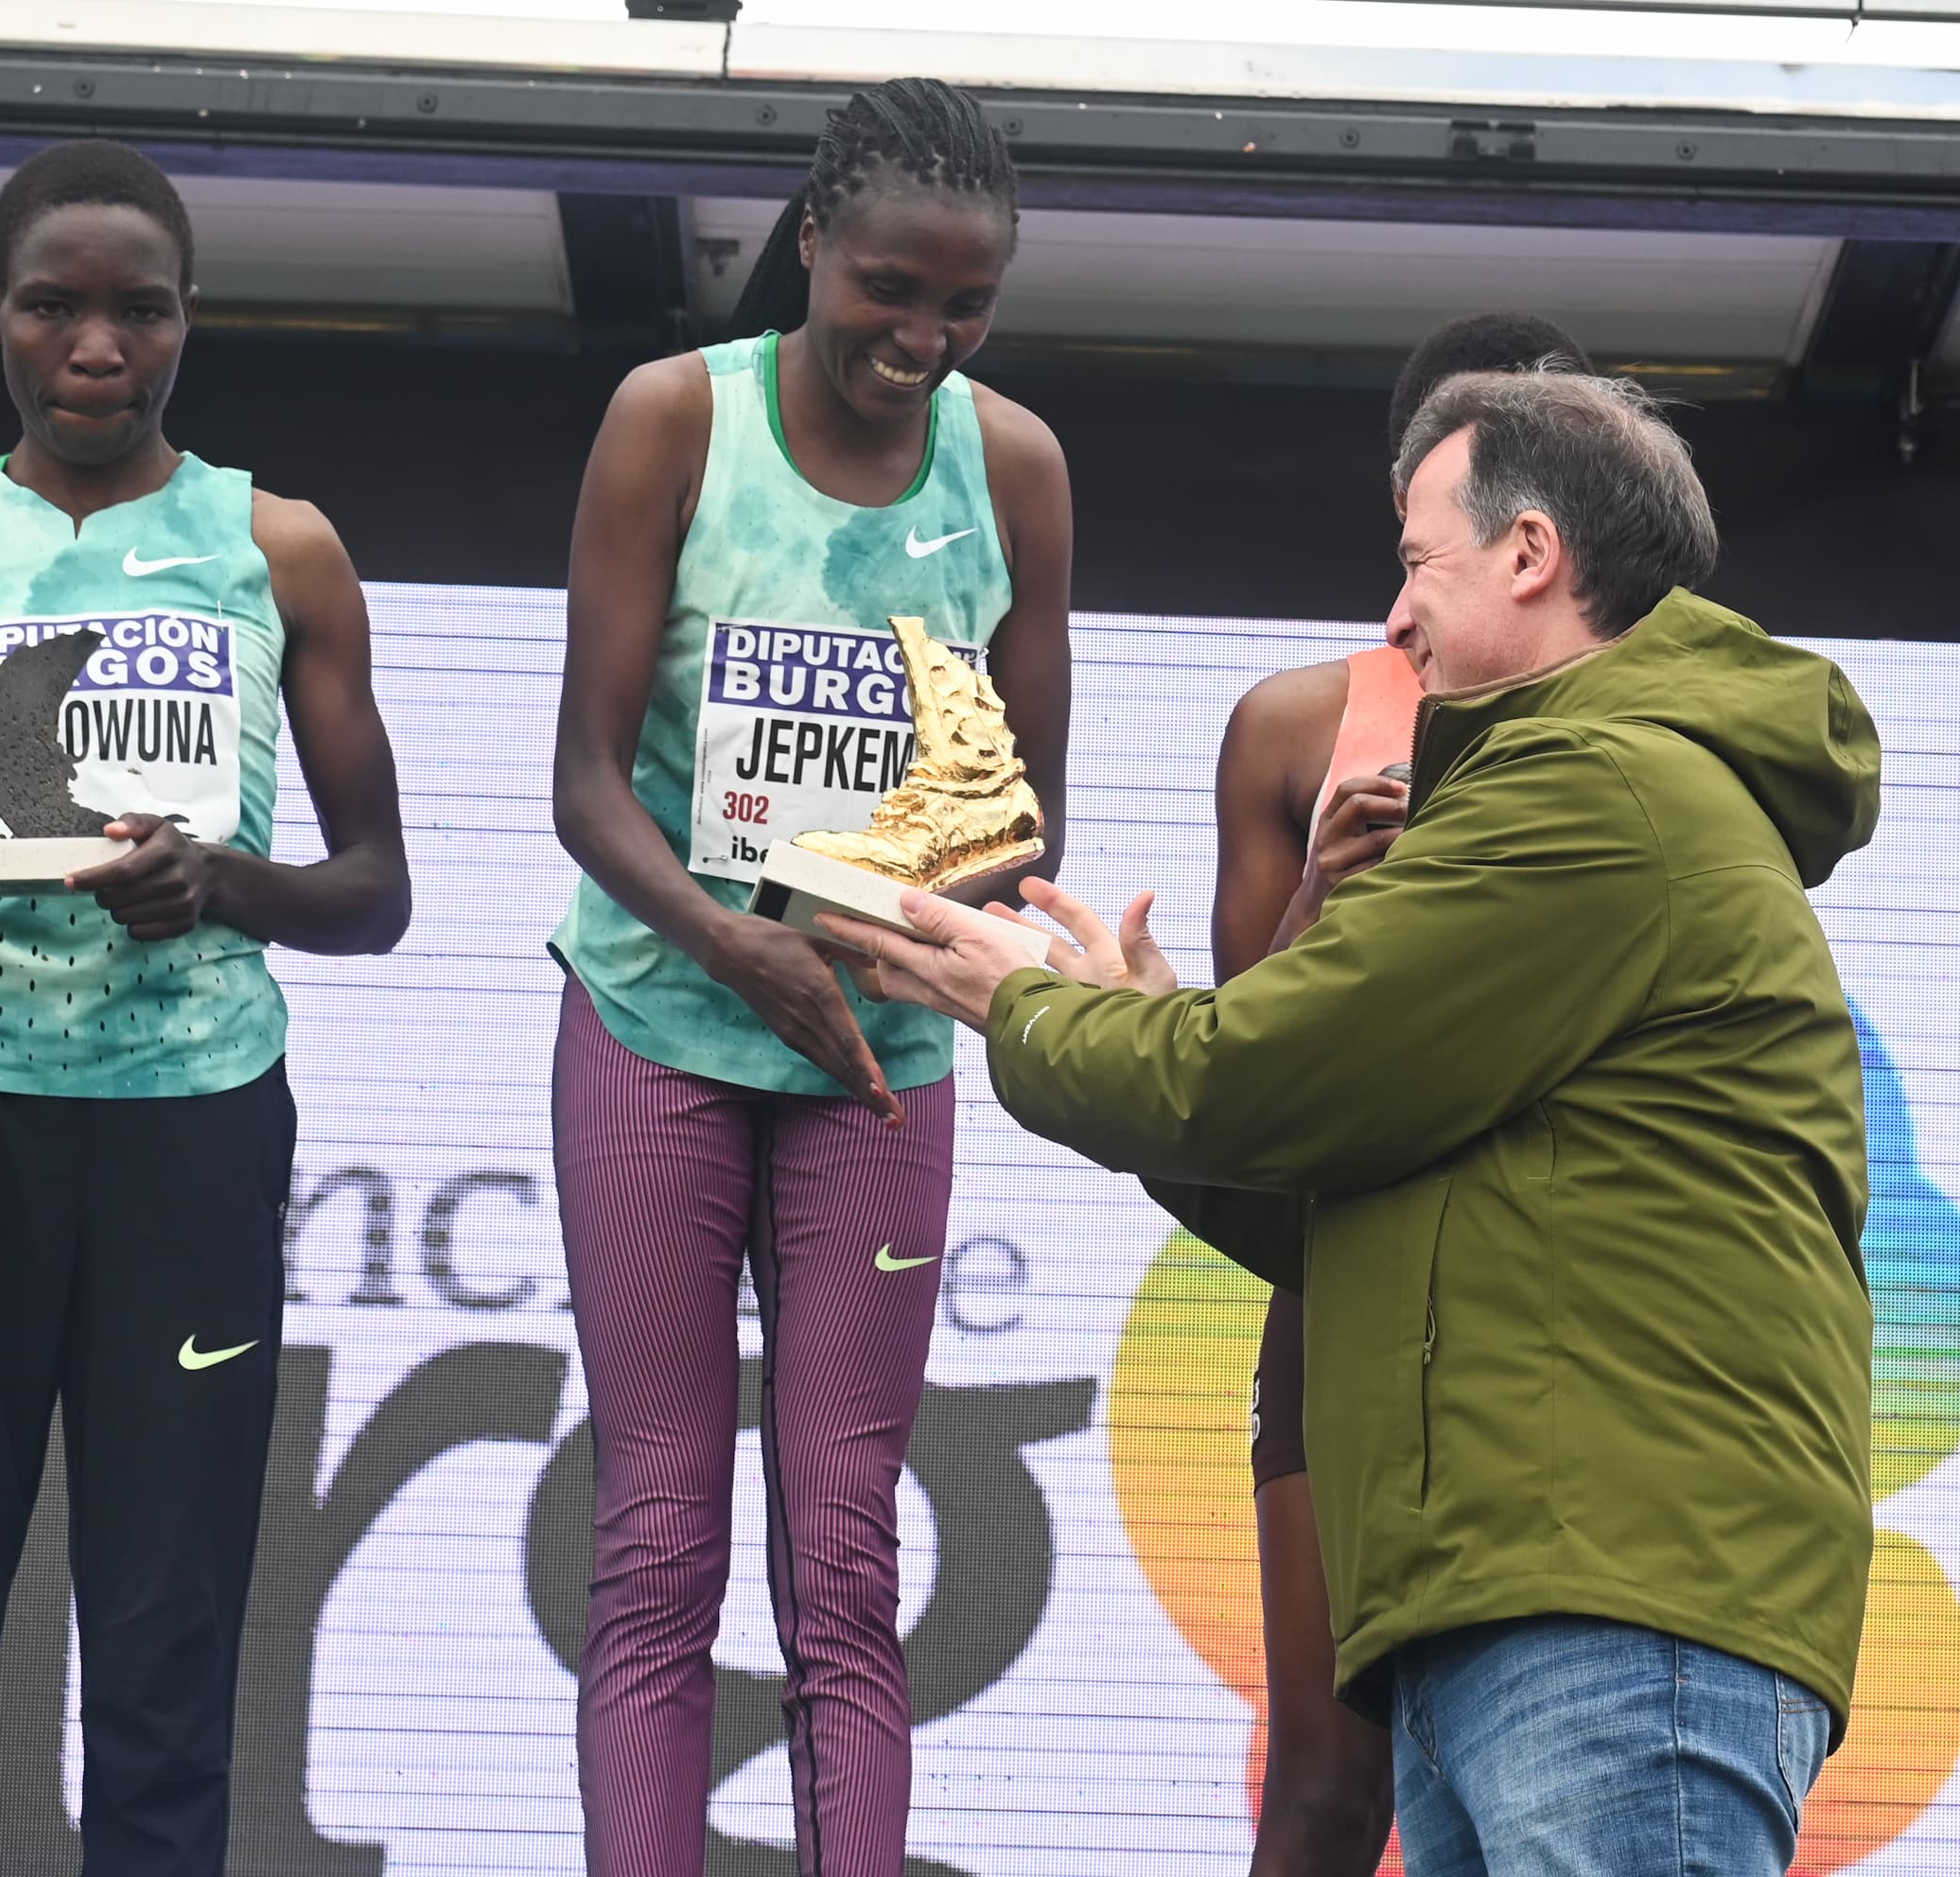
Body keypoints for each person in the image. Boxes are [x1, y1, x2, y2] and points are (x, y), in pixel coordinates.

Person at [834, 367, 1883, 1874]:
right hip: (1511, 1610)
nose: (1392, 621)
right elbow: (1320, 1192)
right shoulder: (1588, 786)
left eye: (1415, 565)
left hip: (1613, 1602)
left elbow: (1255, 1077)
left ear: (1530, 556)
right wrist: (1124, 1030)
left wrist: (1035, 1007)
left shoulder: (1595, 788)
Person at [0, 139, 411, 1871]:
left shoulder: (278, 547)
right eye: (53, 307)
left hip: (189, 1133)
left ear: (188, 324)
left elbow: (377, 894)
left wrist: (219, 881)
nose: (96, 347)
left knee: (167, 1626)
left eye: (140, 311)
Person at [547, 76, 1072, 1877]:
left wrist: (899, 907)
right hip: (658, 1025)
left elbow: (1025, 815)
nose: (921, 337)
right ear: (811, 240)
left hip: (879, 1061)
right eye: (890, 291)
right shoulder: (673, 420)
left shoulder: (1012, 464)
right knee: (658, 1548)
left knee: (844, 1555)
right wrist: (734, 942)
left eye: (965, 305)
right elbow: (586, 781)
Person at [1213, 312, 1591, 1877]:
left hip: (1565, 1310)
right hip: (1349, 1300)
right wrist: (1317, 903)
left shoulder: (1666, 738)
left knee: (1548, 1766)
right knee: (1327, 1785)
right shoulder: (1300, 724)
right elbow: (1235, 1084)